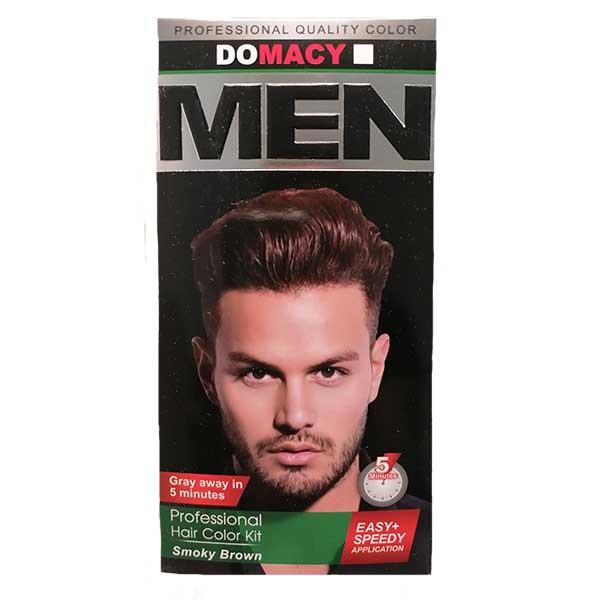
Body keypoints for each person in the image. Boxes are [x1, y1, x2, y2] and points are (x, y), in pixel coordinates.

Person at [169, 187, 430, 574]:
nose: (294, 416)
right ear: (207, 373)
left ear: (376, 369)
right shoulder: (159, 553)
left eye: (328, 372)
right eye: (258, 373)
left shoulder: (442, 549)